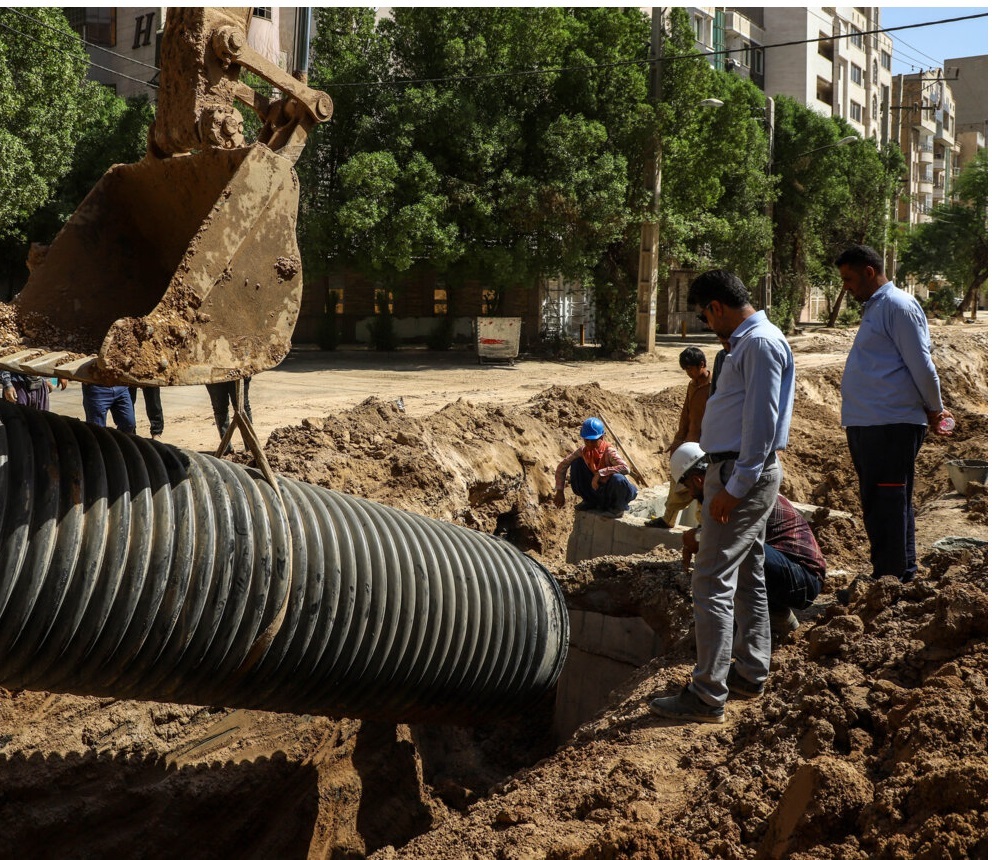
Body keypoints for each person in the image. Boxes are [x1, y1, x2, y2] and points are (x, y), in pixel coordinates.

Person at [650, 269, 795, 724]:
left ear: (716, 307)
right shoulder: (749, 343)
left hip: (740, 471)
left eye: (705, 316)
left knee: (710, 581)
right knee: (749, 572)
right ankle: (749, 673)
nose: (707, 326)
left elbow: (762, 423)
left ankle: (707, 694)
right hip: (734, 468)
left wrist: (734, 487)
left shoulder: (759, 343)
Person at [835, 244, 953, 582]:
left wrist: (935, 409)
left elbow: (922, 365)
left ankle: (890, 581)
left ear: (869, 272)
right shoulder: (877, 306)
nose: (846, 286)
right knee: (883, 501)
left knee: (887, 502)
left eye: (849, 278)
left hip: (890, 425)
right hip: (870, 423)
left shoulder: (898, 305)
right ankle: (897, 576)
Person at [673, 442, 826, 641]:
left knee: (734, 550)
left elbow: (720, 538)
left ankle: (735, 635)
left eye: (688, 487)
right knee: (737, 551)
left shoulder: (736, 495)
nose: (691, 494)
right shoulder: (736, 487)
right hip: (793, 574)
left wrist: (696, 538)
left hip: (803, 579)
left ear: (699, 480)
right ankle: (778, 617)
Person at [649, 347, 711, 528]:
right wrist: (678, 441)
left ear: (702, 365)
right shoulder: (692, 386)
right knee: (676, 482)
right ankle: (668, 519)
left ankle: (703, 526)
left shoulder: (715, 386)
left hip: (706, 448)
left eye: (691, 369)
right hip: (689, 446)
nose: (689, 373)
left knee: (702, 488)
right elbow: (686, 415)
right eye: (686, 370)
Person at [552, 417, 637, 518]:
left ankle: (617, 508)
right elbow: (563, 465)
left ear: (601, 438)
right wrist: (560, 491)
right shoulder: (583, 451)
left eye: (593, 441)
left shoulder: (609, 451)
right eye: (586, 440)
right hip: (599, 490)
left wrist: (601, 473)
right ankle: (590, 501)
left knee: (618, 479)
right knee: (576, 464)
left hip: (613, 490)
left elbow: (625, 468)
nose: (589, 444)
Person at [205, 378, 253, 449]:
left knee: (242, 407)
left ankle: (251, 448)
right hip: (214, 372)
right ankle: (227, 449)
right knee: (220, 409)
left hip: (237, 370)